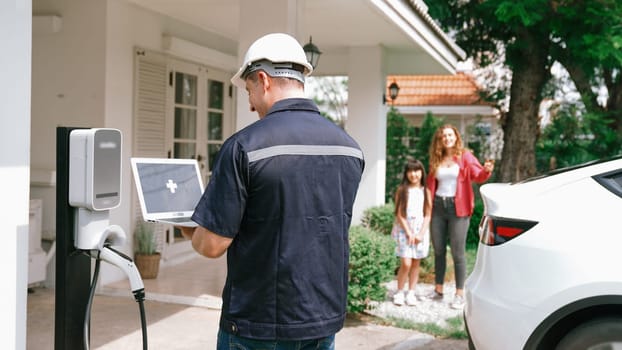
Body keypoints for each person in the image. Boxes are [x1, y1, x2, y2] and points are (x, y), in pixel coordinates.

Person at [179, 33, 364, 349]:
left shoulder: (244, 147)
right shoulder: (349, 149)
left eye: (249, 91)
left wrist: (190, 231)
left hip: (258, 324)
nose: (250, 104)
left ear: (263, 80)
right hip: (322, 320)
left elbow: (212, 245)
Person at [425, 124, 494, 310]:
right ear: (440, 140)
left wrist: (486, 170)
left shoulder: (465, 156)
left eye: (450, 135)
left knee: (458, 252)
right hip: (438, 207)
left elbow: (478, 176)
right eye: (443, 136)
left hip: (458, 208)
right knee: (438, 249)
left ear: (456, 137)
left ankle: (459, 293)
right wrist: (427, 208)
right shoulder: (436, 158)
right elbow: (430, 186)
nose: (447, 138)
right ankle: (438, 290)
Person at [391, 159, 431, 306]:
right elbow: (399, 214)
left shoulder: (426, 191)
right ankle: (400, 291)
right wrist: (408, 232)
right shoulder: (402, 190)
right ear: (406, 173)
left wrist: (420, 233)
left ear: (421, 172)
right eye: (410, 171)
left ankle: (411, 292)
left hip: (420, 231)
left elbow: (427, 214)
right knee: (406, 263)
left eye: (416, 170)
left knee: (415, 263)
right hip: (404, 230)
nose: (414, 174)